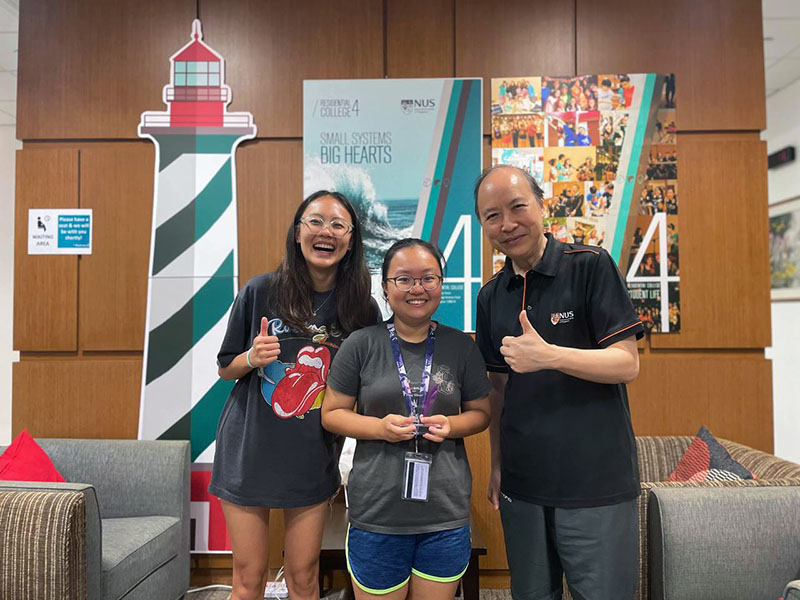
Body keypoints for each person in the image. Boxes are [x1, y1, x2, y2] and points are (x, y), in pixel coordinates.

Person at [473, 165, 644, 600]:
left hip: (596, 482)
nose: (508, 224)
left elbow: (626, 364)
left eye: (517, 207)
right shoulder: (492, 295)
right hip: (524, 485)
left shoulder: (590, 266)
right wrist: (496, 463)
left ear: (542, 205)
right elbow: (498, 387)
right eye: (492, 216)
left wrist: (550, 356)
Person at [210, 190, 380, 600]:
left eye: (338, 224)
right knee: (249, 579)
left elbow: (363, 387)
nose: (326, 232)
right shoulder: (260, 291)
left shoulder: (362, 309)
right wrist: (251, 356)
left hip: (312, 455)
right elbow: (225, 366)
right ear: (298, 232)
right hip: (249, 450)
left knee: (303, 578)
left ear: (352, 239)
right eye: (316, 221)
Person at [322, 238, 491, 600]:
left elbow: (481, 413)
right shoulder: (360, 344)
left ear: (440, 285)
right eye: (404, 279)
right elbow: (332, 414)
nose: (417, 289)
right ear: (385, 287)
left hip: (444, 512)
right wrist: (379, 428)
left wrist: (452, 425)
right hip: (377, 513)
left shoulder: (461, 346)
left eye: (428, 278)